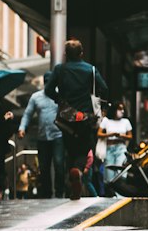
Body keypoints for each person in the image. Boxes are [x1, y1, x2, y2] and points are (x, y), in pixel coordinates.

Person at [47, 40, 110, 200]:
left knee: (70, 149)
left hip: (66, 118)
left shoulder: (60, 70)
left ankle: (72, 180)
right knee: (84, 149)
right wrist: (102, 108)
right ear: (81, 53)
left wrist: (59, 100)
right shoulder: (91, 70)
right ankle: (78, 171)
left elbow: (48, 89)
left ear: (66, 54)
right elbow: (104, 88)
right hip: (85, 118)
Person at [18, 76, 64, 199]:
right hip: (43, 137)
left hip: (58, 135)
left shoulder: (60, 95)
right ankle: (46, 193)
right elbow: (27, 114)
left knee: (59, 164)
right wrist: (22, 128)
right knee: (44, 167)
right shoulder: (36, 97)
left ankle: (60, 193)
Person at [97, 100, 133, 195]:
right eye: (119, 109)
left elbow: (130, 136)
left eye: (123, 109)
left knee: (120, 172)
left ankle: (120, 195)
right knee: (109, 174)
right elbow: (99, 133)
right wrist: (110, 134)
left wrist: (121, 135)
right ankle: (110, 194)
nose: (122, 111)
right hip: (109, 148)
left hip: (120, 148)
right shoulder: (106, 121)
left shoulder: (125, 122)